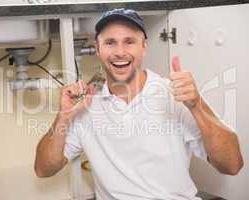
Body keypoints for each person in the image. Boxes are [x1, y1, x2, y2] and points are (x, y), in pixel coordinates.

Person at [34, 8, 243, 200]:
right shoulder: (85, 107)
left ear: (144, 47)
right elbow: (44, 169)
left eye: (129, 41)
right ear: (98, 49)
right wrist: (63, 116)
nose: (120, 52)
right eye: (110, 42)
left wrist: (196, 105)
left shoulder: (176, 96)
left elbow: (232, 165)